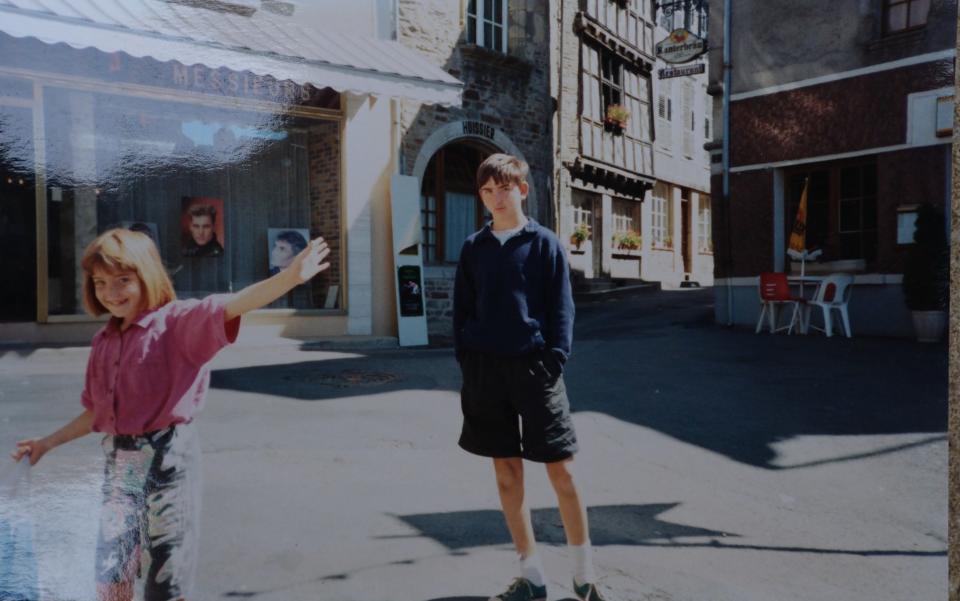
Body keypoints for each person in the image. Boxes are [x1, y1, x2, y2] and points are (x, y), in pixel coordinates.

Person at [11, 227, 330, 601]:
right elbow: (98, 412)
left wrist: (290, 277)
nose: (110, 293)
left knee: (166, 576)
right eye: (100, 282)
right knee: (112, 572)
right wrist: (47, 443)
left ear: (147, 275)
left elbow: (232, 304)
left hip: (168, 465)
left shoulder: (175, 324)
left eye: (122, 280)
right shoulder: (104, 342)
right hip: (120, 469)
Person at [454, 154, 609, 601]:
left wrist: (553, 361)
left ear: (522, 190)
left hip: (535, 371)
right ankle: (532, 575)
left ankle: (585, 576)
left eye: (504, 188)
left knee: (562, 471)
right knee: (506, 473)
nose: (496, 197)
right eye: (487, 190)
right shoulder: (474, 247)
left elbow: (562, 310)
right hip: (486, 372)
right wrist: (467, 357)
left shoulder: (543, 244)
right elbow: (464, 309)